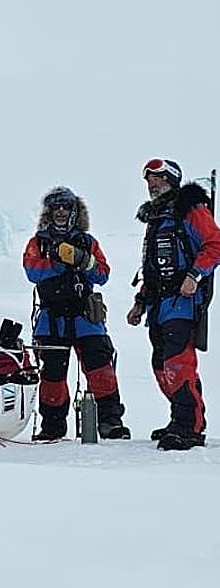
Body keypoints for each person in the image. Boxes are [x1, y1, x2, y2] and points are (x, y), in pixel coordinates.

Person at [126, 159, 220, 450]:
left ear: (172, 179)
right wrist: (140, 301)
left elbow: (215, 244)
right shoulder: (156, 218)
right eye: (149, 180)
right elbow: (152, 266)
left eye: (159, 178)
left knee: (177, 361)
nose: (152, 184)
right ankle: (180, 417)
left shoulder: (190, 209)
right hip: (158, 301)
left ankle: (189, 426)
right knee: (160, 363)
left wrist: (195, 274)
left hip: (183, 299)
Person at [23, 187, 129, 441]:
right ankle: (52, 427)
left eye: (66, 207)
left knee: (101, 369)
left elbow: (102, 274)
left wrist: (83, 260)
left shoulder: (88, 242)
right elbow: (32, 271)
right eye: (56, 207)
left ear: (74, 211)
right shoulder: (38, 242)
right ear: (49, 211)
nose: (61, 211)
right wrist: (58, 264)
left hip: (85, 317)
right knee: (52, 377)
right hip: (52, 319)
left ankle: (110, 422)